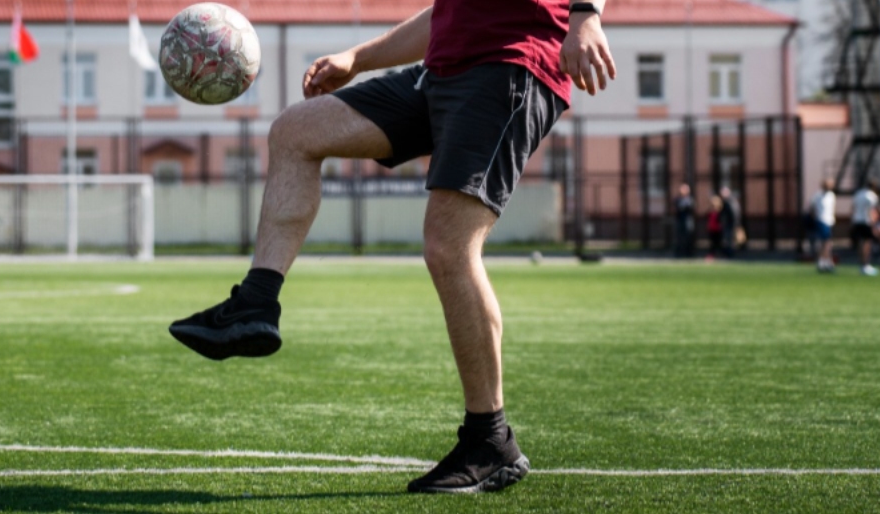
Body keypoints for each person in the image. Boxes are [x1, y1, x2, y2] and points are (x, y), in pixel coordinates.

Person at [168, 0, 615, 494]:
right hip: (440, 73)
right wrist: (357, 59)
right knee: (295, 131)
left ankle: (489, 442)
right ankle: (255, 303)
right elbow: (451, 13)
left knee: (449, 246)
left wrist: (584, 14)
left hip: (507, 68)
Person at [850, 179, 880, 276]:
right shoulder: (872, 196)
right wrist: (874, 224)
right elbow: (871, 211)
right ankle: (866, 264)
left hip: (857, 221)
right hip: (867, 221)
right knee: (867, 243)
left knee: (860, 243)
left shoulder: (858, 194)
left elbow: (853, 208)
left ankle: (862, 264)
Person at [810, 178, 837, 273]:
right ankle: (823, 262)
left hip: (829, 221)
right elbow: (812, 207)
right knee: (826, 242)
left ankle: (826, 261)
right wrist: (815, 218)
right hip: (821, 221)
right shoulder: (818, 195)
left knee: (827, 243)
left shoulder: (831, 195)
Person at [717, 187, 741, 259]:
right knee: (728, 240)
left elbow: (734, 214)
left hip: (730, 224)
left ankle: (730, 254)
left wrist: (735, 224)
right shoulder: (729, 201)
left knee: (729, 240)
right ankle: (728, 254)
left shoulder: (729, 201)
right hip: (729, 224)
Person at [673, 183, 695, 258]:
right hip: (680, 220)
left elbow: (691, 208)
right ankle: (679, 253)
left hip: (688, 221)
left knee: (688, 237)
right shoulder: (678, 199)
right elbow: (678, 206)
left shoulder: (690, 199)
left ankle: (689, 253)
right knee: (679, 238)